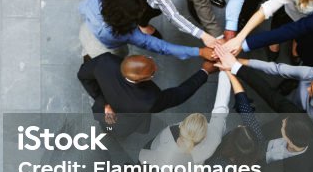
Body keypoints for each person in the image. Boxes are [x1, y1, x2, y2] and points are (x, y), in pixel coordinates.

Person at [221, 68, 313, 172]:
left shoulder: (301, 171)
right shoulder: (297, 117)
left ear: (288, 138)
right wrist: (236, 68)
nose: (282, 122)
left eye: (283, 126)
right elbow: (270, 94)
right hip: (262, 151)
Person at [213, 47, 313, 144]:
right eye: (312, 85)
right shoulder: (312, 74)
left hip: (302, 124)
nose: (308, 89)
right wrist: (240, 63)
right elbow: (277, 69)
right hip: (288, 104)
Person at [77, 53, 217, 138]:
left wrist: (103, 101)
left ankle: (108, 131)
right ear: (142, 79)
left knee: (108, 125)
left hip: (105, 111)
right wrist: (204, 71)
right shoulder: (149, 100)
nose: (155, 68)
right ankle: (111, 133)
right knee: (117, 131)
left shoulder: (105, 61)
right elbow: (179, 94)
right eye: (152, 73)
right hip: (124, 122)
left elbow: (83, 74)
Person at [79, 0, 216, 61]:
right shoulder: (129, 36)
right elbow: (161, 46)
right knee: (119, 56)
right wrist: (199, 51)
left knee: (88, 49)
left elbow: (81, 8)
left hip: (86, 32)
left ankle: (86, 54)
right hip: (107, 49)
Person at [138, 71, 232, 169]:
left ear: (180, 126)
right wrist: (225, 71)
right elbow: (221, 106)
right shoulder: (215, 136)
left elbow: (150, 156)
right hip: (182, 170)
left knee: (146, 163)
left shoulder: (168, 135)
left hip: (160, 159)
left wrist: (225, 71)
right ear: (204, 136)